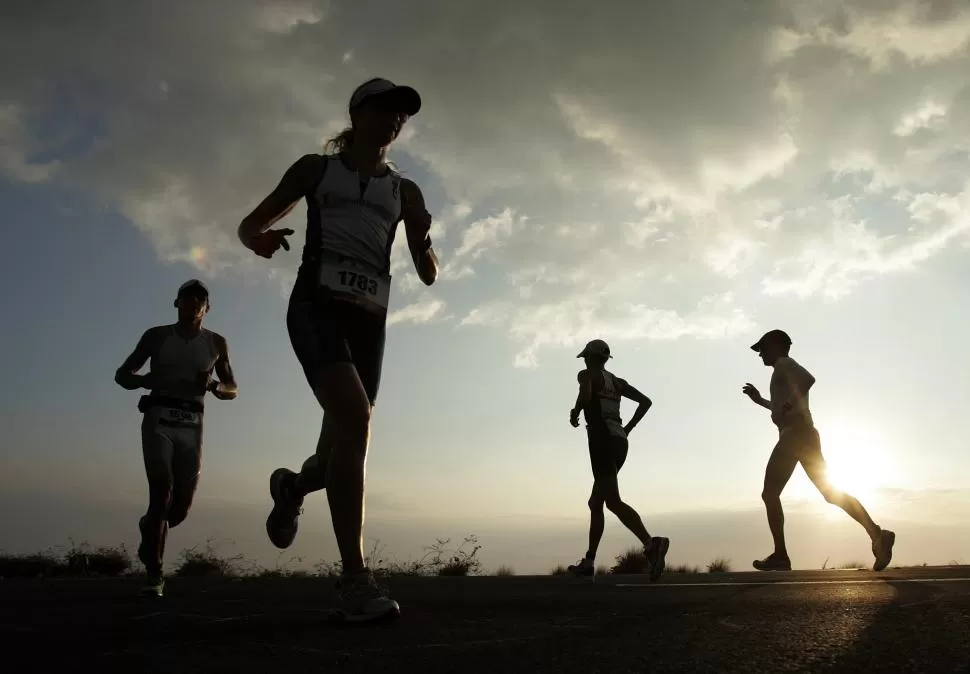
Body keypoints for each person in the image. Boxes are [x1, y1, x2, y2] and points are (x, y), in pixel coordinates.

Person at [237, 77, 438, 622]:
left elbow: (427, 275)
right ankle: (355, 579)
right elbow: (250, 223)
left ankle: (293, 487)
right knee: (353, 417)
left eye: (402, 113)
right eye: (385, 108)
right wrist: (257, 238)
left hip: (369, 323)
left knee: (340, 449)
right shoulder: (316, 169)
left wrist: (421, 237)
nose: (395, 119)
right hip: (316, 308)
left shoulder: (405, 191)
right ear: (357, 112)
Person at [114, 279, 238, 597]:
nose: (193, 302)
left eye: (200, 298)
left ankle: (149, 527)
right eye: (187, 297)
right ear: (177, 303)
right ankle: (155, 574)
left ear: (207, 308)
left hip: (193, 423)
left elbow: (232, 389)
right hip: (159, 418)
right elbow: (123, 375)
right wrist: (145, 381)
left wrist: (213, 385)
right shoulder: (156, 336)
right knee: (161, 492)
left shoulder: (217, 343)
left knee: (179, 508)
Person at [742, 329, 896, 572]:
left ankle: (781, 556)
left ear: (777, 346)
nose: (760, 354)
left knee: (770, 494)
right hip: (805, 435)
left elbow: (807, 380)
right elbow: (782, 407)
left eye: (762, 348)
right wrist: (761, 400)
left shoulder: (783, 363)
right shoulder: (781, 371)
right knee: (829, 493)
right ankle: (876, 533)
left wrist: (789, 404)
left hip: (794, 435)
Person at [565, 339, 669, 582]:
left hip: (601, 440)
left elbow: (586, 392)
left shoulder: (586, 374)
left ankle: (651, 543)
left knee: (611, 501)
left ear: (590, 357)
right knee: (596, 502)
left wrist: (575, 412)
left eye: (585, 357)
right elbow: (646, 401)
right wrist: (629, 427)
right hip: (620, 440)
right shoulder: (617, 381)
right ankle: (589, 562)